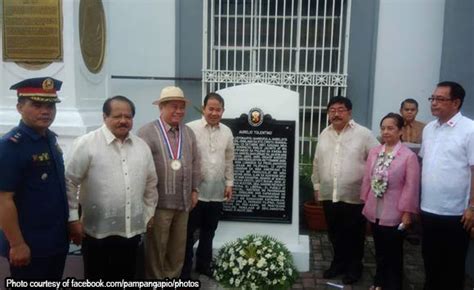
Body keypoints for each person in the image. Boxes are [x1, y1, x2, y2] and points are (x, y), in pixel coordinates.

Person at [65, 96, 158, 280]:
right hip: (96, 231)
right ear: (104, 117)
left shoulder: (142, 147)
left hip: (131, 230)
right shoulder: (86, 143)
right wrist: (73, 219)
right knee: (96, 277)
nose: (123, 121)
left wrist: (148, 213)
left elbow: (151, 183)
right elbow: (69, 182)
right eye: (117, 116)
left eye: (128, 116)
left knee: (127, 276)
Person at [0, 77, 69, 279]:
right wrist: (17, 244)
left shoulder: (49, 139)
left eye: (50, 105)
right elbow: (3, 199)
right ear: (19, 107)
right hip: (29, 243)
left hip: (55, 240)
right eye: (37, 105)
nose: (45, 111)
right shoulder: (11, 146)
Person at [312, 96, 379, 284]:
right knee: (335, 233)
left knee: (354, 235)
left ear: (349, 112)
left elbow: (377, 161)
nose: (336, 114)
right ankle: (338, 263)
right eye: (332, 110)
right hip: (329, 194)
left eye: (340, 109)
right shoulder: (324, 134)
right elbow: (317, 162)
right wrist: (317, 186)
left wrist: (372, 189)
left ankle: (354, 267)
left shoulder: (364, 134)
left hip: (354, 196)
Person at [138, 86, 201, 279]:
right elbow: (140, 168)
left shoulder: (188, 133)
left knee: (178, 248)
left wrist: (194, 190)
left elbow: (196, 163)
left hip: (183, 204)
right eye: (174, 106)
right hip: (159, 204)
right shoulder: (146, 132)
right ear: (161, 108)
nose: (179, 111)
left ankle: (172, 279)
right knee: (157, 248)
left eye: (181, 107)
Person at [420, 81, 474, 290]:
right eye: (432, 98)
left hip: (456, 213)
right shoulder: (429, 129)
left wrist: (472, 207)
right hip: (428, 208)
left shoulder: (469, 129)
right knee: (430, 260)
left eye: (440, 99)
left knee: (452, 266)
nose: (433, 103)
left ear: (456, 102)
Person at [360, 113, 420, 290]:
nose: (386, 132)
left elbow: (411, 186)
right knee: (379, 249)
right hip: (375, 208)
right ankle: (379, 281)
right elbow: (367, 178)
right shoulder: (374, 152)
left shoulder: (408, 156)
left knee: (393, 251)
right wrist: (365, 201)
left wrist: (407, 212)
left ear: (400, 131)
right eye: (383, 128)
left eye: (391, 128)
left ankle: (393, 284)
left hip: (396, 210)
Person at [181, 92, 234, 279]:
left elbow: (229, 159)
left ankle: (203, 265)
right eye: (210, 109)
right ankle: (184, 270)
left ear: (223, 111)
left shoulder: (227, 132)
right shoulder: (189, 129)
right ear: (203, 109)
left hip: (216, 192)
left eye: (218, 109)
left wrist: (229, 183)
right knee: (188, 234)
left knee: (209, 232)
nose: (214, 113)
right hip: (195, 193)